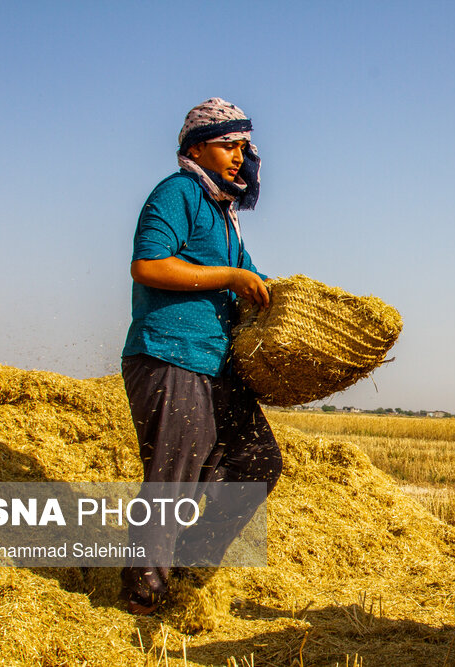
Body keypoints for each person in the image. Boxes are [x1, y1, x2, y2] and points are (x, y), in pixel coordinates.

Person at [119, 98, 284, 615]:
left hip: (215, 363)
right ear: (196, 148)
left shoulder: (224, 215)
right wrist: (231, 278)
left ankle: (187, 564)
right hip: (171, 355)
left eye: (243, 147)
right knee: (172, 478)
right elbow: (147, 265)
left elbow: (253, 281)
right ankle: (143, 594)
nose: (240, 156)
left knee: (258, 461)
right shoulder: (179, 193)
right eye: (228, 145)